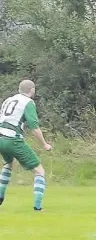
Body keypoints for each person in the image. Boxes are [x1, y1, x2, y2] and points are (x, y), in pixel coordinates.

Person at [0, 80, 52, 210]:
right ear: (32, 90)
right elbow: (34, 127)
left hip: (1, 137)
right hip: (13, 139)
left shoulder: (9, 99)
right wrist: (44, 144)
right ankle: (38, 207)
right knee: (39, 170)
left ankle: (0, 197)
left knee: (8, 164)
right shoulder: (28, 103)